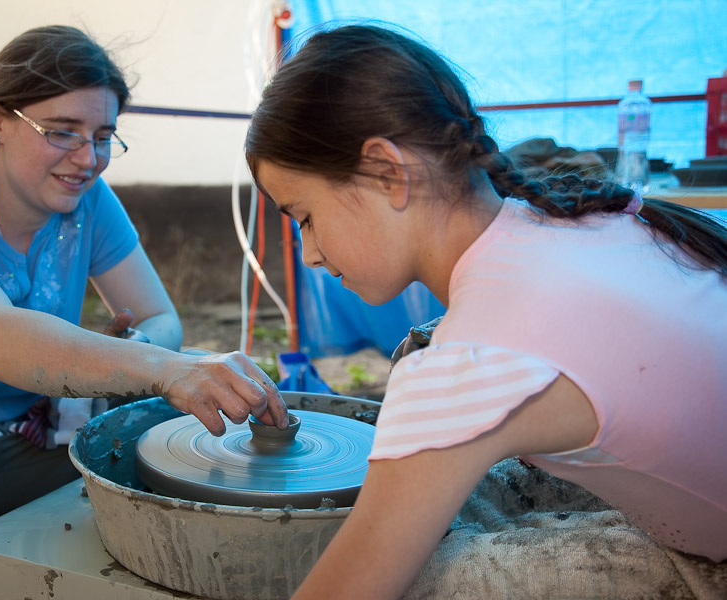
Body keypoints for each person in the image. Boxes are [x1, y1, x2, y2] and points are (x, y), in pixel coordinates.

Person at [245, 24, 727, 600]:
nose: (310, 254)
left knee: (426, 579)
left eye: (304, 217)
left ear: (388, 172)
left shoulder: (466, 364)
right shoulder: (578, 218)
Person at [0, 25, 287, 600]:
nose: (88, 159)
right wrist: (154, 365)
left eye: (103, 137)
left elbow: (160, 319)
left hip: (25, 438)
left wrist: (134, 354)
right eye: (62, 132)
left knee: (177, 404)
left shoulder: (87, 202)